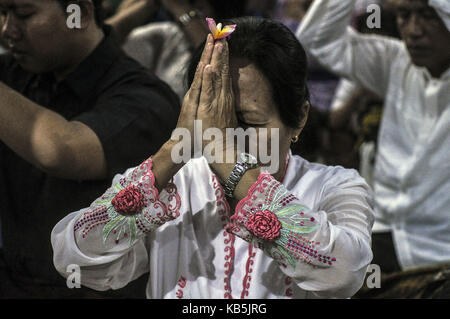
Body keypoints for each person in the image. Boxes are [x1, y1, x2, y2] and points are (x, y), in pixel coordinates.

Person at [52, 17, 374, 299]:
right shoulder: (171, 185)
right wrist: (172, 150)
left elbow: (344, 273)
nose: (226, 138)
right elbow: (74, 257)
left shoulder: (335, 186)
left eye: (248, 123)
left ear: (299, 118)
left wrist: (226, 159)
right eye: (215, 122)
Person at [0, 0, 179, 298]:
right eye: (3, 13)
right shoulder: (13, 76)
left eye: (24, 14)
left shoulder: (145, 98)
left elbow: (62, 150)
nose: (8, 30)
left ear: (79, 13)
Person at [297, 0, 450, 298]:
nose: (414, 31)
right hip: (380, 237)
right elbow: (315, 39)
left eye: (430, 16)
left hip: (442, 247)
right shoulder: (394, 61)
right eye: (405, 15)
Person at [107, 0, 248, 101]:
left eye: (200, 8)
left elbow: (218, 61)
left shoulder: (241, 39)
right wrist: (147, 5)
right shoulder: (167, 33)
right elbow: (103, 41)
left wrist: (182, 9)